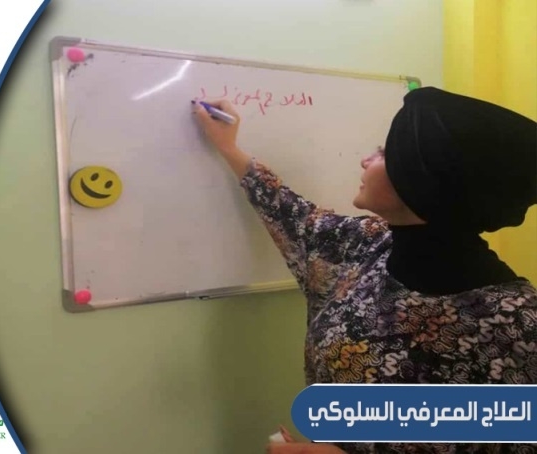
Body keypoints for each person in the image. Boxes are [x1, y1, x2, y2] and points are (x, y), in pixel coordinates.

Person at [192, 87, 537, 454]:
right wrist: (230, 147)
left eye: (384, 153)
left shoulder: (517, 323)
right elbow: (291, 214)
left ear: (421, 178)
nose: (365, 160)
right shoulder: (363, 245)